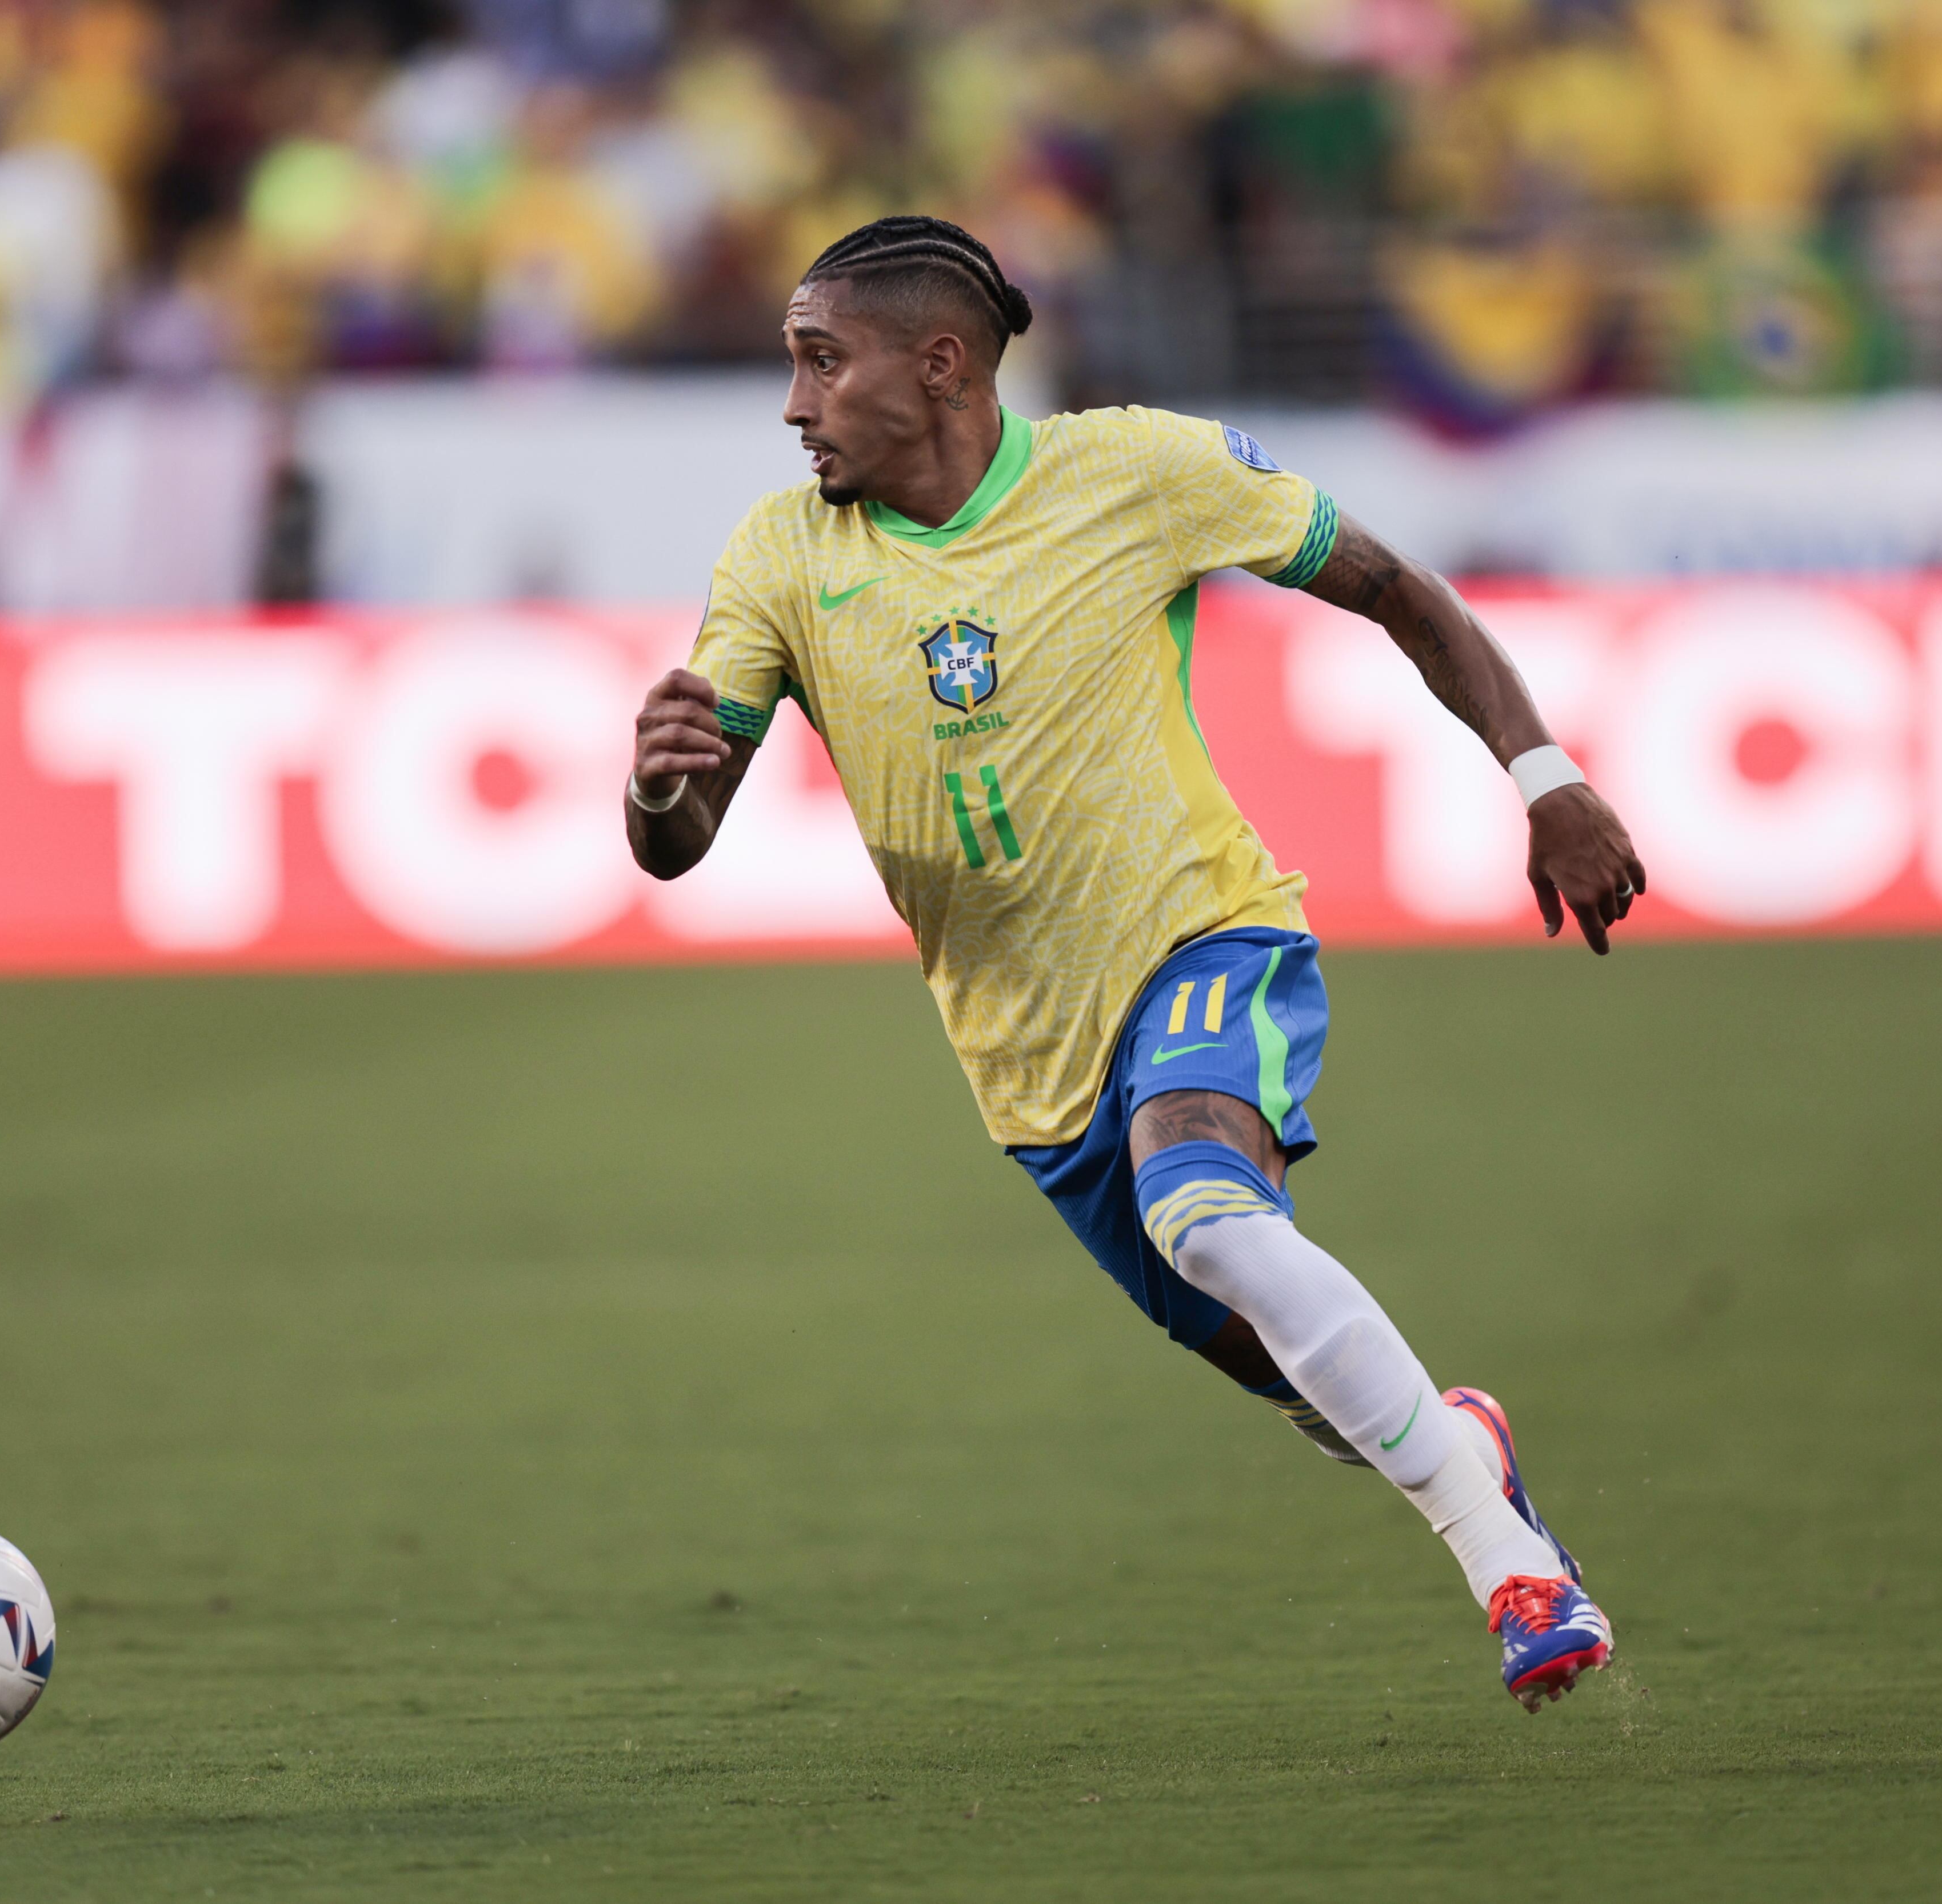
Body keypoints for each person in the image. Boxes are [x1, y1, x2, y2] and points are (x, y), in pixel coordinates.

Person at [625, 215, 1647, 1710]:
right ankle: (1454, 1432)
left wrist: (1545, 775)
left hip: (1203, 934)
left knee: (1211, 1210)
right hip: (1028, 1062)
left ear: (943, 362)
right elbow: (681, 835)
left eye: (821, 362)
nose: (794, 403)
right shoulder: (782, 555)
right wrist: (660, 787)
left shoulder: (1136, 471)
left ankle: (1514, 1568)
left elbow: (1394, 588)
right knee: (1287, 1363)